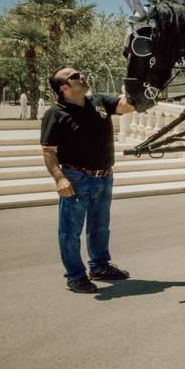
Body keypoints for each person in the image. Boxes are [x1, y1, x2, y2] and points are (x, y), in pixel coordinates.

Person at [40, 68, 135, 293]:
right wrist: (59, 178)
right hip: (76, 178)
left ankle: (100, 266)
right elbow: (49, 152)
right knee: (70, 232)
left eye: (80, 74)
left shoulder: (99, 101)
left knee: (100, 227)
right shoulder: (56, 113)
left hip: (104, 177)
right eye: (75, 76)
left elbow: (127, 106)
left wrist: (143, 90)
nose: (82, 77)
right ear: (64, 87)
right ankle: (75, 276)